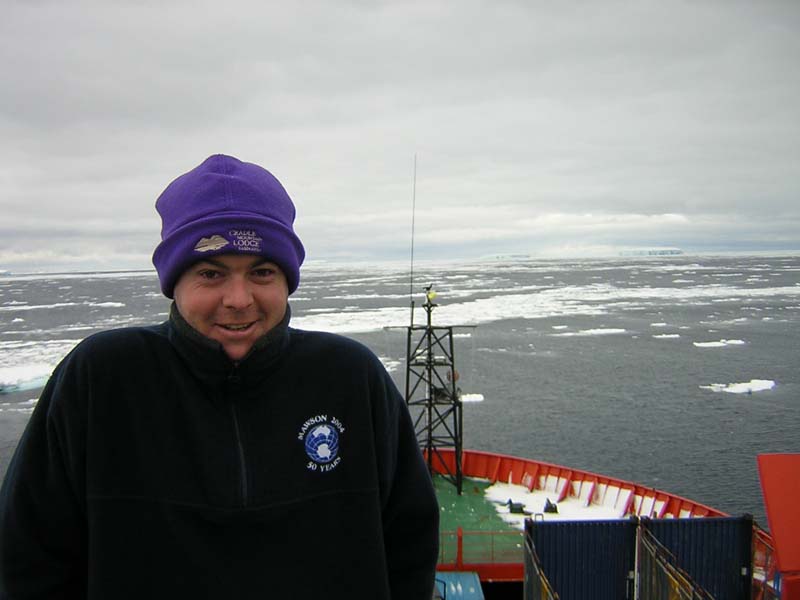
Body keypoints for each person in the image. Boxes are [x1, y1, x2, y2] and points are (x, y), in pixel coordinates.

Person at [0, 154, 439, 599]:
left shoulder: (350, 378)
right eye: (211, 274)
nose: (238, 299)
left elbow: (409, 547)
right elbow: (27, 557)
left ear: (287, 279)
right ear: (175, 282)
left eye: (262, 272)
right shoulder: (102, 380)